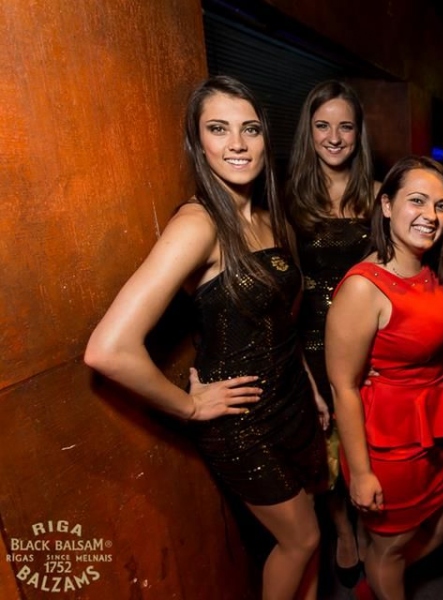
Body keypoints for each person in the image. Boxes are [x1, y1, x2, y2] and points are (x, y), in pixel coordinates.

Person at [84, 75, 328, 600]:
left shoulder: (270, 218)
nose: (237, 144)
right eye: (218, 129)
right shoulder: (198, 224)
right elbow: (108, 349)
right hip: (241, 423)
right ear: (198, 143)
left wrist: (308, 386)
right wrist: (190, 407)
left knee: (309, 529)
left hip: (290, 400)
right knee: (302, 539)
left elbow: (283, 320)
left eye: (250, 129)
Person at [325, 156, 443, 600]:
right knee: (391, 546)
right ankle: (382, 577)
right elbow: (344, 386)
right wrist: (362, 474)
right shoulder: (363, 287)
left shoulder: (429, 267)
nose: (431, 216)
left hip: (435, 426)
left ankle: (377, 572)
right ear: (386, 205)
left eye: (441, 206)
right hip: (391, 442)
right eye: (417, 201)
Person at [286, 79, 376, 588]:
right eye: (323, 126)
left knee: (367, 440)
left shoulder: (380, 195)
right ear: (309, 131)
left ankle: (367, 522)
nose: (335, 137)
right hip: (312, 343)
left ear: (359, 133)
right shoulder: (289, 200)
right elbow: (284, 290)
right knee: (326, 450)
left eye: (345, 126)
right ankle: (343, 528)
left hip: (368, 341)